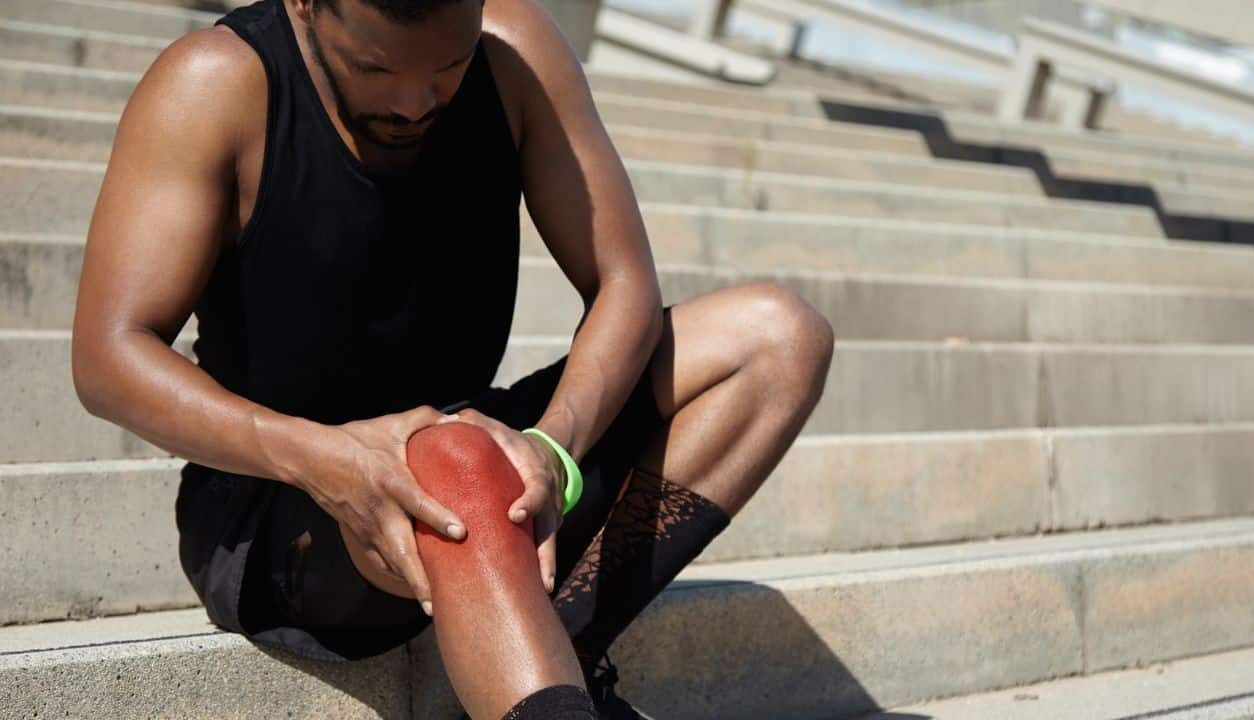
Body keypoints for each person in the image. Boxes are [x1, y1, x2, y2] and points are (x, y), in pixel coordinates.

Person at [69, 0, 835, 717]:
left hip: (481, 450)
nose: (414, 101)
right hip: (285, 500)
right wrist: (322, 457)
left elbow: (623, 281)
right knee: (455, 456)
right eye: (374, 68)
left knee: (778, 336)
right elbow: (109, 355)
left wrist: (551, 445)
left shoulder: (512, 51)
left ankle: (554, 655)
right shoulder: (215, 84)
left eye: (449, 64)